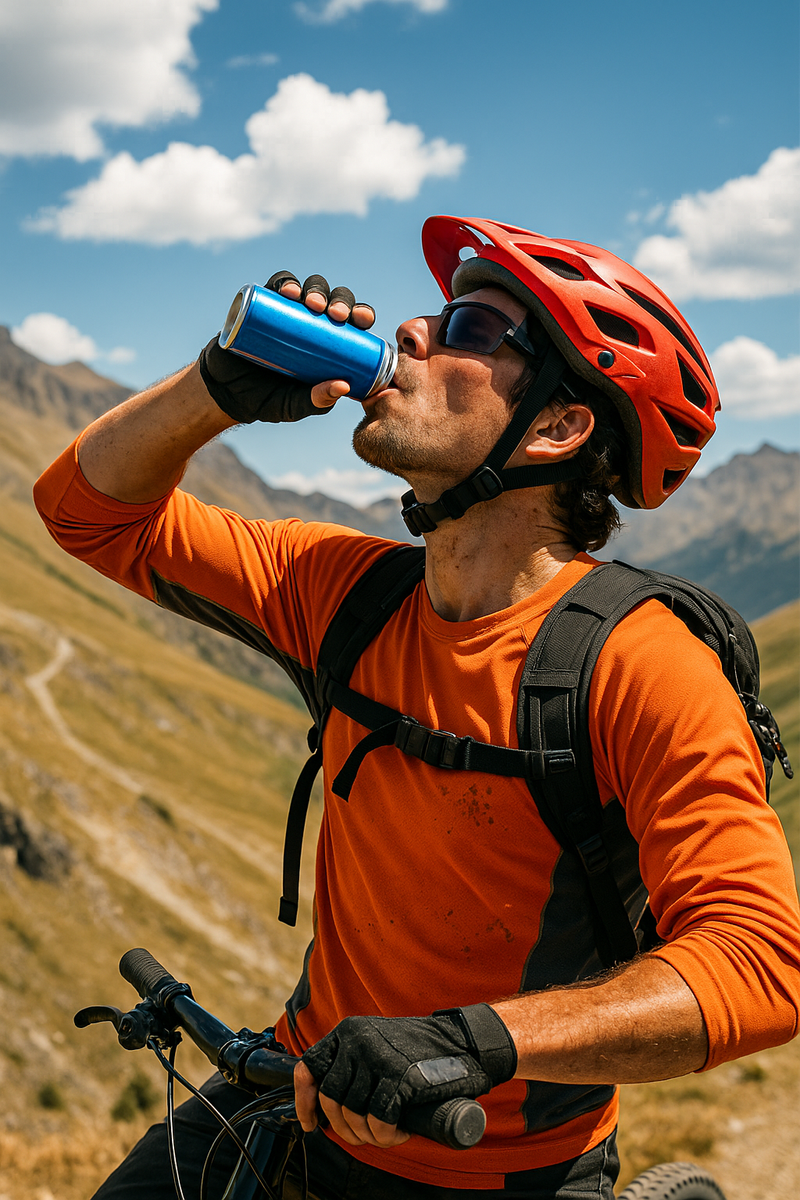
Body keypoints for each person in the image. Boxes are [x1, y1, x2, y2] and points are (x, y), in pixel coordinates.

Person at [34, 215, 800, 1200]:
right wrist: (212, 391)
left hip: (494, 1163)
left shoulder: (638, 665)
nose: (413, 331)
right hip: (294, 1093)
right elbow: (85, 512)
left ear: (560, 427)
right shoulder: (346, 591)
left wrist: (471, 1042)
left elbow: (759, 966)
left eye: (473, 331)